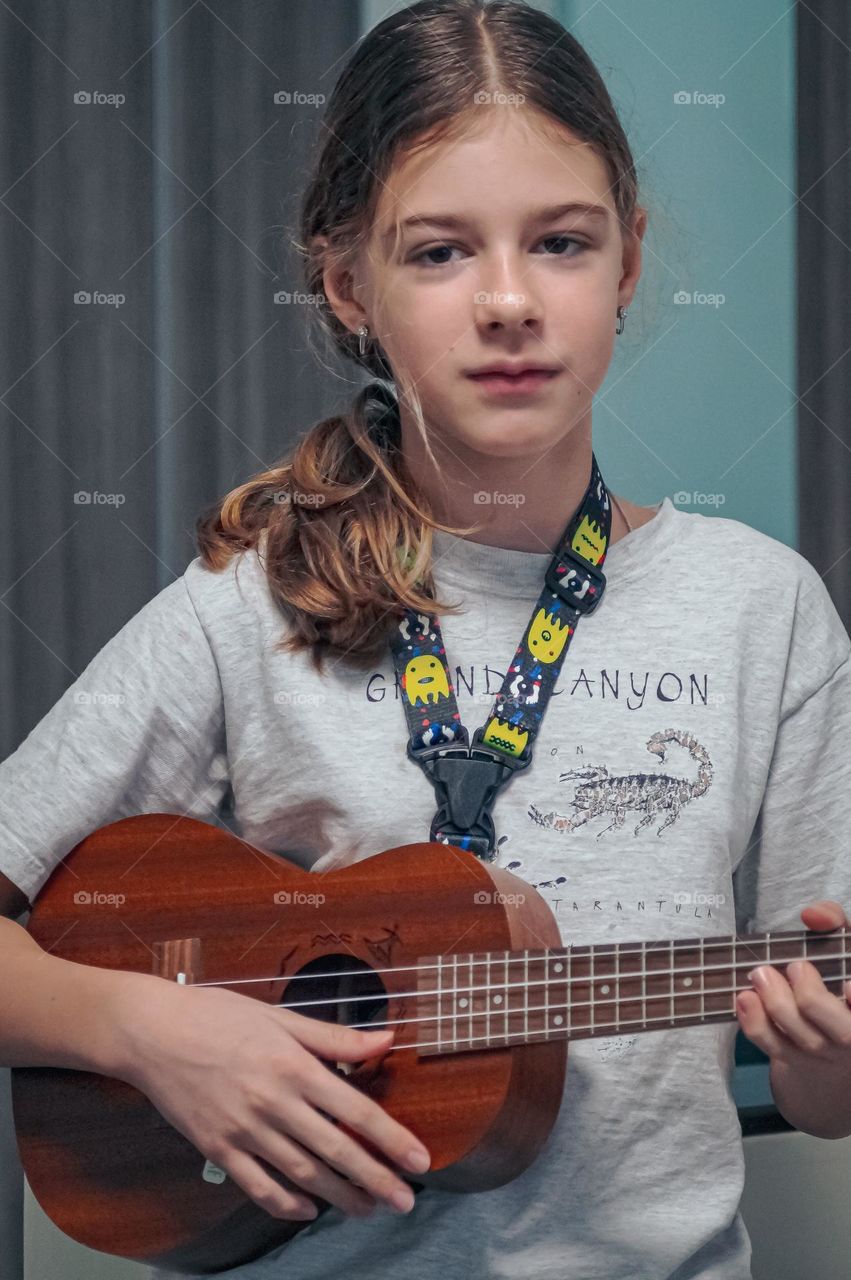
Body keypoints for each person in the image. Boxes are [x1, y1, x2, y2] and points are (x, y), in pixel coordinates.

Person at [2, 2, 851, 1278]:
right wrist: (144, 1030)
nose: (507, 302)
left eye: (559, 242)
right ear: (349, 284)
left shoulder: (759, 605)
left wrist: (824, 1053)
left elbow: (822, 1097)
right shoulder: (254, 598)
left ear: (626, 262)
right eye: (440, 252)